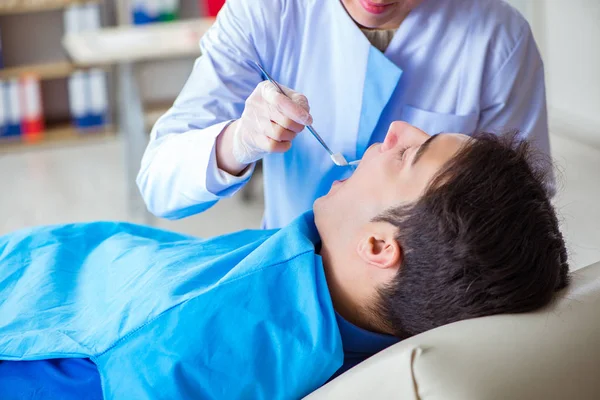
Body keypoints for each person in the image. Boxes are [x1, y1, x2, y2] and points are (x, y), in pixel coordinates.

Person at [0, 123, 568, 399]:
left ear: (377, 247)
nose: (395, 129)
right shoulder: (380, 316)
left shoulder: (188, 339)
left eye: (407, 154)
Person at [137, 0, 551, 229]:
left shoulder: (497, 36)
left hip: (424, 307)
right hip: (286, 283)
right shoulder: (267, 11)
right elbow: (159, 184)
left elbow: (519, 215)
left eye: (412, 151)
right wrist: (237, 142)